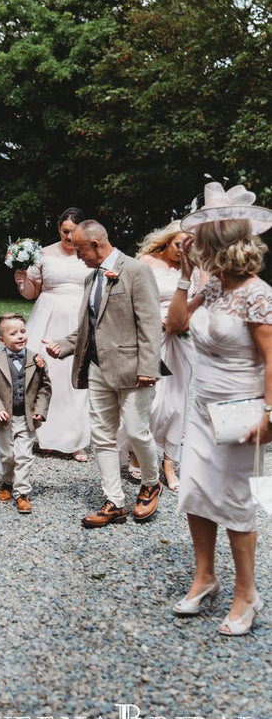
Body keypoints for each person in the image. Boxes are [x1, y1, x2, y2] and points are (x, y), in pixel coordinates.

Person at [166, 182, 272, 636]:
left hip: (240, 410)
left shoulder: (257, 293)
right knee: (195, 490)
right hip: (202, 405)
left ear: (218, 242)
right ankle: (204, 576)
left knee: (235, 502)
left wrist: (271, 415)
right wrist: (186, 272)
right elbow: (175, 324)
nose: (195, 244)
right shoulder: (211, 286)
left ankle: (246, 592)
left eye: (200, 241)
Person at [45, 219, 164, 528]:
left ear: (96, 245)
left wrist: (149, 367)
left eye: (80, 249)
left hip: (133, 369)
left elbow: (150, 324)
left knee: (138, 431)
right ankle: (114, 501)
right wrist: (63, 345)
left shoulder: (137, 272)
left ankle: (151, 483)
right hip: (97, 368)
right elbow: (89, 325)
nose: (76, 255)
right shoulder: (90, 279)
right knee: (102, 436)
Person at [120, 221, 199, 491]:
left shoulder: (193, 270)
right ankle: (138, 455)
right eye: (178, 244)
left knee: (176, 405)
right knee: (149, 401)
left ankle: (168, 462)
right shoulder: (145, 262)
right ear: (167, 240)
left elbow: (198, 303)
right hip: (150, 337)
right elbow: (130, 299)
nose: (182, 251)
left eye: (188, 247)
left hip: (180, 340)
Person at [14, 206, 89, 461]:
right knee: (45, 375)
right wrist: (22, 280)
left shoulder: (89, 252)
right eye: (65, 232)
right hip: (47, 315)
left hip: (78, 318)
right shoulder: (44, 253)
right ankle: (45, 435)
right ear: (59, 229)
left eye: (74, 232)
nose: (69, 238)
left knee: (75, 376)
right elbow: (32, 293)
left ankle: (76, 440)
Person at [0, 313, 52, 514]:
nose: (20, 336)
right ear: (1, 339)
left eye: (22, 331)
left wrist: (39, 411)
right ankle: (7, 482)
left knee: (24, 455)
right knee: (7, 455)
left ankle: (22, 493)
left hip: (27, 417)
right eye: (13, 333)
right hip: (5, 419)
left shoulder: (37, 359)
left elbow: (45, 388)